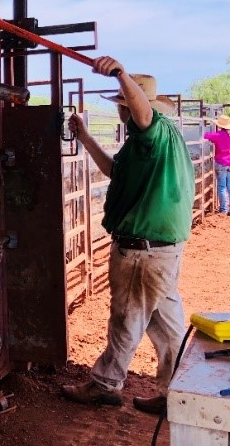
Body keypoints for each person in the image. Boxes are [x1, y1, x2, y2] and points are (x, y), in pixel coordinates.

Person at [61, 57, 195, 416]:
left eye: (123, 104)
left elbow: (143, 113)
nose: (122, 111)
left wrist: (120, 74)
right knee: (167, 327)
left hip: (143, 251)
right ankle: (176, 392)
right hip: (162, 252)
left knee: (126, 317)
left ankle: (106, 384)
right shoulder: (148, 146)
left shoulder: (152, 132)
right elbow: (114, 170)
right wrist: (85, 137)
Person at [205, 114, 230, 216]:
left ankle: (223, 209)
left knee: (222, 186)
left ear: (220, 126)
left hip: (221, 163)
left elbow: (205, 135)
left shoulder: (218, 135)